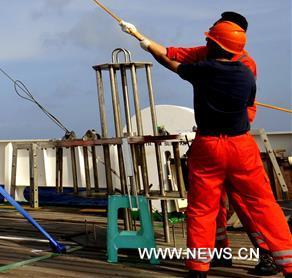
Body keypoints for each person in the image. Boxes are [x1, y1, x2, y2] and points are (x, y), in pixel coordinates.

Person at [123, 18, 292, 277]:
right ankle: (287, 262)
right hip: (241, 146)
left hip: (209, 146)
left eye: (209, 39)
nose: (204, 42)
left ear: (215, 44)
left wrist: (143, 42)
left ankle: (198, 267)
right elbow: (247, 104)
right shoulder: (247, 71)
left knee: (203, 209)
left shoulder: (204, 69)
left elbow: (171, 62)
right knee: (263, 205)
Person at [161, 12, 277, 274]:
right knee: (214, 205)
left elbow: (244, 107)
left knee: (244, 204)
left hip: (231, 139)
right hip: (218, 140)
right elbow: (178, 53)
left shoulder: (245, 64)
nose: (212, 29)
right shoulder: (210, 52)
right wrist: (146, 41)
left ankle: (268, 254)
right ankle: (219, 252)